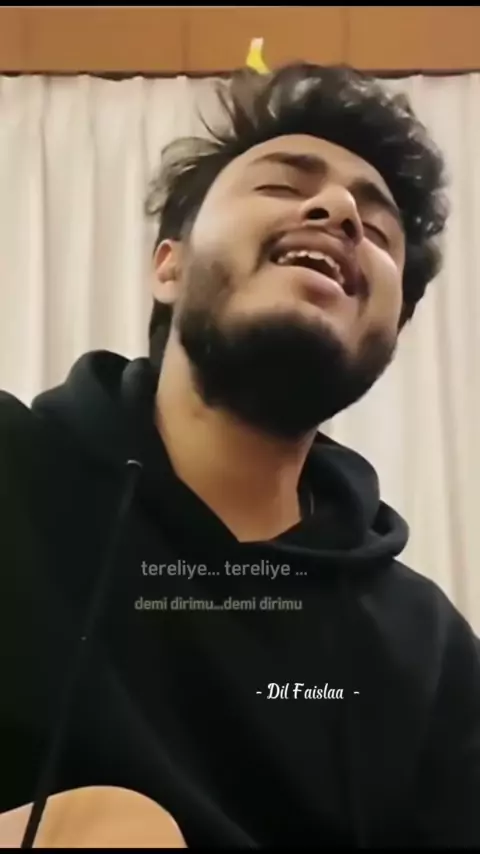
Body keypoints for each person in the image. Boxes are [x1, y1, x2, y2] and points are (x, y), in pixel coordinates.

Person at [1, 60, 479, 849]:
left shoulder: (432, 653)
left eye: (379, 229)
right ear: (169, 265)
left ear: (389, 332)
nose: (340, 211)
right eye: (283, 185)